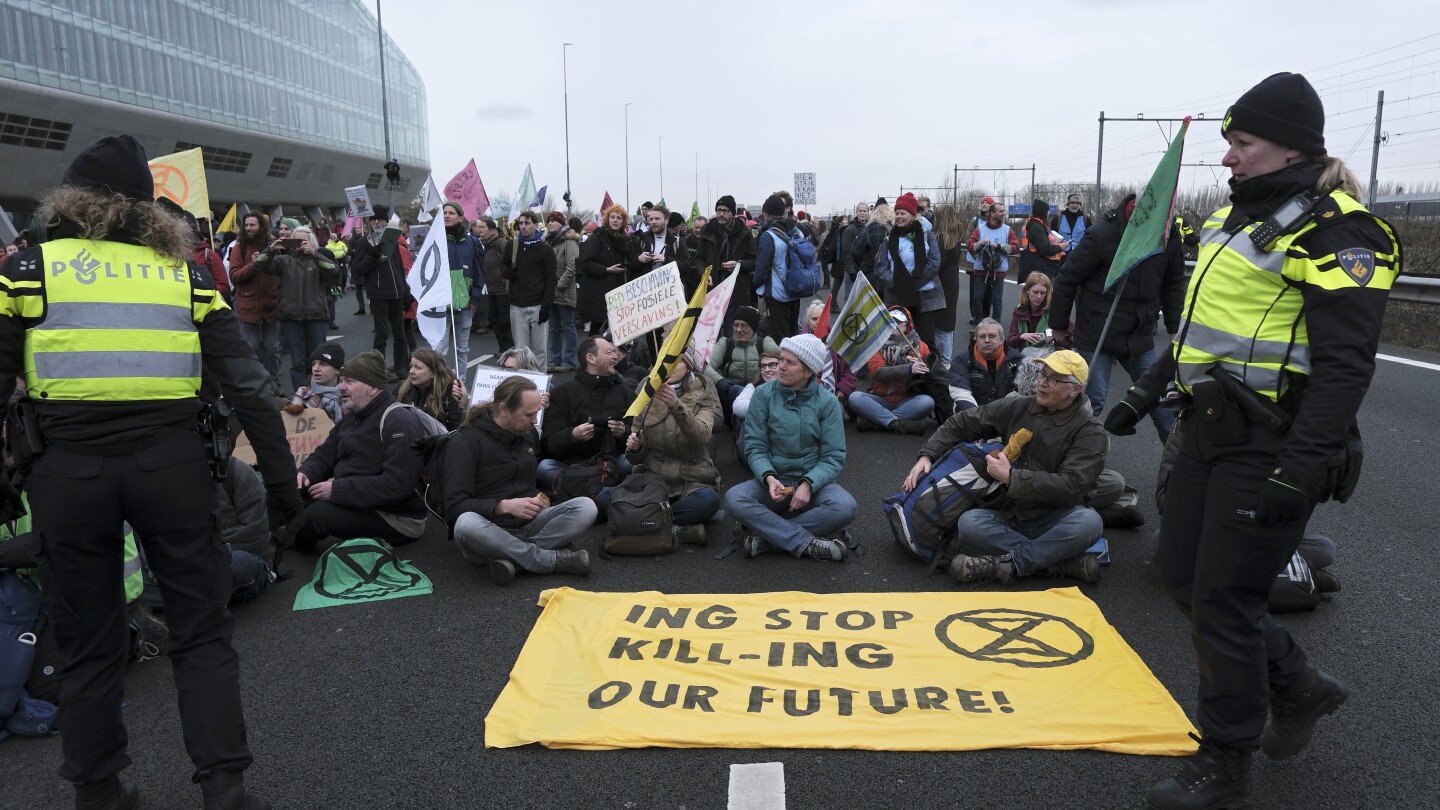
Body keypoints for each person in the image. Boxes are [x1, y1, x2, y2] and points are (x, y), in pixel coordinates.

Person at [0, 135, 303, 808]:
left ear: (70, 201)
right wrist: (282, 489)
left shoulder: (27, 269)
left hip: (66, 473)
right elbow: (250, 387)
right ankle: (224, 788)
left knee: (86, 640)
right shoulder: (187, 275)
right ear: (149, 209)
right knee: (201, 632)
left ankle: (99, 791)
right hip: (172, 467)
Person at [1125, 73, 1400, 810]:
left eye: (1241, 144)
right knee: (1179, 578)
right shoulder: (1236, 220)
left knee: (1224, 600)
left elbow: (1345, 372)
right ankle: (1300, 686)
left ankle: (1225, 758)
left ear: (1289, 148)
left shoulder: (1341, 233)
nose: (1227, 159)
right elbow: (1196, 334)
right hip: (1207, 429)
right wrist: (1145, 393)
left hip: (1271, 446)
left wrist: (1300, 472)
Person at [905, 351, 1106, 585]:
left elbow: (1072, 485)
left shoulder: (1090, 430)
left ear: (1075, 390)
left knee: (1090, 523)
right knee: (969, 524)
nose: (1042, 382)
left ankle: (1008, 564)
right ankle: (1057, 564)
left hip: (1057, 515)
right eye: (1043, 374)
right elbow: (962, 422)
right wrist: (927, 455)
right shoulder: (1018, 406)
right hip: (1012, 512)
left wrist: (1012, 478)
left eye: (1054, 379)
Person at [1049, 192, 1186, 442]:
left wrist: (1174, 326)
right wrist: (1058, 326)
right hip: (1097, 331)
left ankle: (1177, 471)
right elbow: (1067, 278)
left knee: (1161, 403)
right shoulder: (1103, 234)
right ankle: (1073, 464)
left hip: (1140, 333)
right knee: (1092, 402)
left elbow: (1174, 282)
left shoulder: (1168, 236)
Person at [444, 376, 594, 585]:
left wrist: (539, 500)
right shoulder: (465, 441)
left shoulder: (529, 433)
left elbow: (530, 483)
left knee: (586, 507)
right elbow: (453, 506)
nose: (534, 421)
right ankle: (550, 560)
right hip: (488, 530)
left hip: (527, 525)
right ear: (504, 409)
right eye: (529, 415)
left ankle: (514, 559)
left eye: (536, 414)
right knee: (465, 523)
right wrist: (503, 506)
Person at [724, 335, 856, 562]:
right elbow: (755, 447)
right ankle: (807, 543)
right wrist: (768, 477)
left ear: (808, 372)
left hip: (813, 484)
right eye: (781, 360)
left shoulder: (828, 402)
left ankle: (769, 538)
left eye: (789, 363)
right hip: (774, 481)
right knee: (734, 498)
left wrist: (808, 483)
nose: (780, 367)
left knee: (846, 506)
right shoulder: (763, 395)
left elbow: (834, 456)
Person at [292, 350, 429, 551]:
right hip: (361, 499)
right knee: (291, 490)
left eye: (349, 381)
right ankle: (268, 534)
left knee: (316, 516)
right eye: (341, 380)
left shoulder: (398, 422)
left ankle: (287, 545)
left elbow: (397, 485)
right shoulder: (355, 414)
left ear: (373, 387)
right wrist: (306, 473)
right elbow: (325, 454)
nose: (341, 387)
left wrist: (337, 490)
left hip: (396, 518)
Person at [621, 351, 723, 544]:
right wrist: (635, 447)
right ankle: (675, 529)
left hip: (691, 477)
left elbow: (700, 437)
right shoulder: (647, 389)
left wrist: (676, 405)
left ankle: (638, 521)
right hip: (654, 476)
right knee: (604, 498)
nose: (670, 366)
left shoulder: (703, 393)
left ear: (689, 366)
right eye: (666, 361)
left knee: (708, 501)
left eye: (677, 361)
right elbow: (634, 458)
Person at [537, 336, 631, 487]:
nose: (615, 356)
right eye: (609, 352)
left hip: (612, 464)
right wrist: (573, 435)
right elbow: (550, 443)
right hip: (573, 466)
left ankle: (578, 488)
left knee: (631, 463)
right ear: (591, 358)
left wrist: (623, 432)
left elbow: (638, 436)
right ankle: (595, 488)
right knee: (545, 466)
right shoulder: (562, 394)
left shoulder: (625, 391)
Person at [255, 221, 339, 390]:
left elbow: (333, 271)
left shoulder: (318, 258)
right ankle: (299, 397)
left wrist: (315, 254)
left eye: (304, 241)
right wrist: (271, 248)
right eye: (297, 241)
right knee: (297, 361)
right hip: (292, 317)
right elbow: (259, 264)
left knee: (319, 359)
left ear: (312, 242)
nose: (300, 245)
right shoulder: (284, 260)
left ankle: (321, 395)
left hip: (316, 316)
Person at [349, 205, 413, 382]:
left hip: (396, 293)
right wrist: (371, 257)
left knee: (400, 333)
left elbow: (399, 269)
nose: (377, 222)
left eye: (380, 219)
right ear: (369, 222)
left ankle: (401, 366)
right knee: (382, 333)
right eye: (373, 219)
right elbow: (357, 270)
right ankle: (379, 369)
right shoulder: (364, 242)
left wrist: (406, 292)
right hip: (378, 295)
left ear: (386, 221)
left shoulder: (392, 240)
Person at [874, 193, 943, 355]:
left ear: (913, 215)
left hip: (924, 294)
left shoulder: (927, 235)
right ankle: (900, 374)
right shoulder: (889, 238)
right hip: (897, 294)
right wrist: (897, 282)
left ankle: (930, 375)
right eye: (897, 213)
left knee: (926, 339)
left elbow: (934, 262)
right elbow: (882, 267)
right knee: (896, 339)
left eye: (902, 213)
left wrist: (914, 282)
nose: (898, 216)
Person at [851, 307, 935, 434]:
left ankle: (878, 422)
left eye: (899, 322)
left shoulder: (921, 347)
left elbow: (930, 377)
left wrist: (922, 368)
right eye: (891, 321)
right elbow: (878, 373)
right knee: (855, 397)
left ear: (908, 325)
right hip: (881, 398)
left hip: (908, 400)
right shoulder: (877, 344)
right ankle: (897, 423)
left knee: (928, 402)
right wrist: (909, 368)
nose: (894, 325)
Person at [228, 211, 283, 390]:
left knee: (272, 349)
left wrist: (268, 257)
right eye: (247, 225)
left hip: (270, 305)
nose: (249, 228)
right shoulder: (238, 248)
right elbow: (235, 276)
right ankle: (256, 384)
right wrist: (254, 264)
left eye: (253, 225)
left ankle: (274, 383)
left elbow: (281, 271)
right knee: (250, 348)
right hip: (247, 307)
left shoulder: (272, 245)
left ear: (261, 226)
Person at [704, 306, 777, 427]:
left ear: (754, 328)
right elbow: (705, 367)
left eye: (744, 326)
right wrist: (724, 384)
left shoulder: (764, 343)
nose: (738, 329)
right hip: (729, 397)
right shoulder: (725, 343)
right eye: (735, 325)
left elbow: (783, 363)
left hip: (758, 396)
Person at [501, 210, 557, 363]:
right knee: (520, 351)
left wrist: (546, 305)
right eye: (520, 223)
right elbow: (503, 267)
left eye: (527, 223)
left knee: (540, 351)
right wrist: (509, 272)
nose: (523, 226)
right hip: (517, 306)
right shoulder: (513, 245)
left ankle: (540, 384)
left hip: (538, 305)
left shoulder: (546, 250)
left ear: (535, 225)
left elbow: (551, 279)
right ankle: (522, 384)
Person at [438, 201, 485, 378]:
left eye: (451, 213)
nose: (447, 215)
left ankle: (461, 387)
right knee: (439, 350)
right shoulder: (438, 239)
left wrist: (474, 299)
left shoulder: (473, 242)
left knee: (462, 350)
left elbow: (480, 273)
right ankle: (439, 389)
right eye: (444, 213)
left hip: (465, 305)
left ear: (460, 217)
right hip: (442, 305)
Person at [696, 195, 757, 328]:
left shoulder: (745, 232)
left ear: (733, 213)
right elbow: (699, 258)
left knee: (732, 328)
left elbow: (753, 261)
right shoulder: (708, 230)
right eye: (719, 210)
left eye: (725, 211)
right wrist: (704, 274)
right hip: (713, 288)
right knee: (711, 330)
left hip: (735, 290)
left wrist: (738, 264)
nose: (721, 214)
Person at [752, 194, 807, 341]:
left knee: (778, 339)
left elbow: (762, 270)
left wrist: (755, 283)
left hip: (777, 294)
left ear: (766, 213)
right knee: (793, 335)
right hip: (796, 289)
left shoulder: (769, 236)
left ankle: (782, 364)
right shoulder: (797, 231)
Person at [577, 204, 631, 336]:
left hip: (617, 294)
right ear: (607, 219)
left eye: (619, 218)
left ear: (623, 221)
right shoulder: (597, 237)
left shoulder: (624, 240)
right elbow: (584, 263)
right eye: (612, 217)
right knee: (598, 335)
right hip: (598, 295)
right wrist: (606, 269)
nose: (615, 220)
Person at [949, 317, 1023, 411]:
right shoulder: (961, 361)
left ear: (1001, 339)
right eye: (982, 337)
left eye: (992, 336)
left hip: (1006, 411)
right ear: (976, 340)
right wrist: (979, 418)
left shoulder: (1017, 359)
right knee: (959, 407)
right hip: (974, 413)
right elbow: (960, 393)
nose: (987, 340)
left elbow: (1024, 390)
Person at [964, 202, 1019, 328]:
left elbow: (1015, 247)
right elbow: (970, 245)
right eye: (1001, 211)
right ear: (992, 213)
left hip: (999, 271)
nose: (1004, 213)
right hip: (981, 270)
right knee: (977, 298)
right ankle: (978, 325)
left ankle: (996, 327)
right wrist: (980, 244)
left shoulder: (1007, 229)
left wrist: (1001, 246)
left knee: (997, 300)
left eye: (1004, 211)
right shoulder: (980, 228)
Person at [731, 346, 783, 466]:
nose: (766, 369)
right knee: (747, 419)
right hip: (758, 439)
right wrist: (767, 409)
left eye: (772, 365)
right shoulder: (753, 387)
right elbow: (737, 406)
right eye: (763, 366)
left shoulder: (792, 386)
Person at [544, 211, 581, 372]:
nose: (550, 223)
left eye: (553, 221)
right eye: (548, 221)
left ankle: (570, 361)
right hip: (550, 293)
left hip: (564, 292)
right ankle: (554, 360)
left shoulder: (569, 241)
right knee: (553, 328)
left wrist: (558, 286)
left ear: (561, 223)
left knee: (568, 326)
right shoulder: (548, 242)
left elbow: (571, 268)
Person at [397, 348, 466, 431]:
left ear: (433, 373)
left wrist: (462, 405)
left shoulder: (450, 394)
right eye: (411, 366)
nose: (411, 371)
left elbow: (456, 429)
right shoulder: (402, 389)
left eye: (418, 367)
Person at [932, 204, 967, 363]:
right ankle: (947, 359)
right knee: (948, 321)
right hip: (952, 279)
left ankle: (943, 360)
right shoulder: (956, 235)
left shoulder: (940, 237)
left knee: (940, 324)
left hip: (941, 281)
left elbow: (938, 263)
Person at [288, 342, 346, 423]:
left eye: (323, 364)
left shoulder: (348, 394)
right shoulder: (303, 393)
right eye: (313, 363)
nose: (315, 368)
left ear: (337, 370)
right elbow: (293, 425)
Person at [851, 200, 894, 302]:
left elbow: (855, 250)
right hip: (892, 272)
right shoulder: (895, 227)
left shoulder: (870, 227)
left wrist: (861, 264)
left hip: (872, 273)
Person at [1007, 272, 1055, 351]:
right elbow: (1010, 343)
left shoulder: (1054, 311)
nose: (1038, 297)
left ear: (1047, 293)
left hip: (1048, 358)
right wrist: (1021, 336)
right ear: (1027, 290)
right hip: (1025, 358)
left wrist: (1056, 339)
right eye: (1035, 292)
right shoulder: (1019, 310)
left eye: (1043, 293)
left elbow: (1071, 337)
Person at [1019, 199, 1065, 280]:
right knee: (1042, 291)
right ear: (1043, 212)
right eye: (1047, 211)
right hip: (1039, 267)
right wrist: (1060, 247)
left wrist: (1058, 251)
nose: (1049, 213)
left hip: (1033, 263)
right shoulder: (1037, 227)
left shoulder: (1033, 223)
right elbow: (1044, 249)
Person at [837, 201, 870, 308]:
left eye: (864, 211)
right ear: (857, 212)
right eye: (860, 211)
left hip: (866, 269)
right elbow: (846, 252)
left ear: (868, 212)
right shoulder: (850, 230)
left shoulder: (870, 228)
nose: (862, 213)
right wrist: (851, 271)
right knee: (850, 300)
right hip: (852, 270)